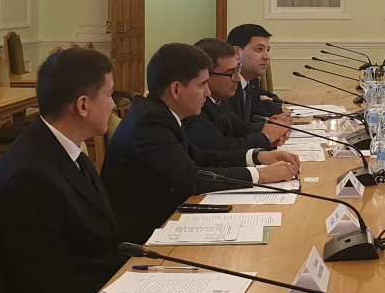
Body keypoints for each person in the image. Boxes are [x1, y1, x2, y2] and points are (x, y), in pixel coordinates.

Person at [0, 47, 126, 293]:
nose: (114, 105)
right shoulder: (28, 175)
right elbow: (50, 285)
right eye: (109, 94)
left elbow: (99, 239)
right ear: (83, 105)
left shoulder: (69, 150)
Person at [101, 43, 301, 245]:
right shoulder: (149, 123)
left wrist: (258, 156)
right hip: (142, 238)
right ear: (176, 89)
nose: (207, 92)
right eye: (201, 85)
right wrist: (262, 175)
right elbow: (192, 178)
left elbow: (200, 156)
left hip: (165, 220)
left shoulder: (160, 112)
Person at [183, 38, 290, 152]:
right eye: (231, 73)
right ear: (206, 75)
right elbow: (221, 147)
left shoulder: (221, 97)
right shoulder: (194, 106)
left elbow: (239, 128)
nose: (238, 79)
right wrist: (266, 138)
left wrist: (270, 126)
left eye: (237, 70)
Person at [227, 23, 284, 120]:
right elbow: (237, 126)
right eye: (259, 49)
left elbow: (257, 113)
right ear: (236, 53)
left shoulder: (251, 80)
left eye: (268, 50)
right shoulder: (228, 85)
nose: (267, 57)